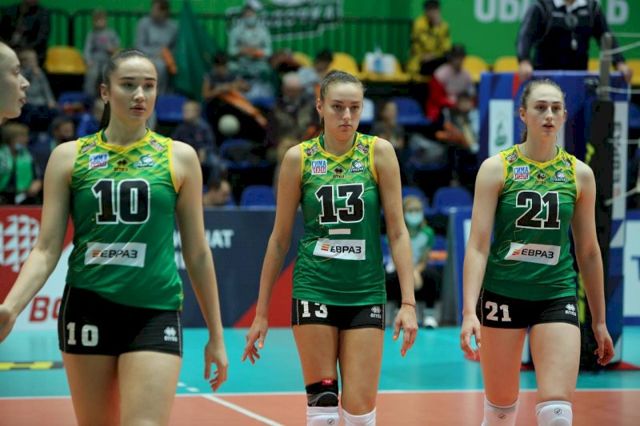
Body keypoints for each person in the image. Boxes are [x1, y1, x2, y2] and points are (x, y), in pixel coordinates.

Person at [0, 49, 228, 425]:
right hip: (88, 307)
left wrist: (216, 336)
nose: (140, 94)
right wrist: (11, 307)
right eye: (128, 85)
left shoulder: (180, 157)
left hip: (154, 309)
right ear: (105, 92)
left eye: (149, 86)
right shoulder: (68, 157)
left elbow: (198, 252)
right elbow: (46, 249)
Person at [242, 70, 418, 426]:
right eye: (338, 107)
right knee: (322, 409)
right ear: (320, 106)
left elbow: (398, 232)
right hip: (314, 289)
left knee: (360, 411)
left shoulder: (379, 153)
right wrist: (261, 313)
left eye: (355, 107)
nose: (347, 116)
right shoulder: (299, 158)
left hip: (365, 291)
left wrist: (408, 303)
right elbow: (279, 239)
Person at [460, 79, 614, 426]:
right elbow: (478, 246)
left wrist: (600, 320)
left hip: (555, 294)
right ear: (523, 114)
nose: (549, 115)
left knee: (558, 414)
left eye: (556, 108)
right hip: (502, 295)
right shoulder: (496, 168)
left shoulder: (579, 174)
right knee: (500, 411)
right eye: (540, 107)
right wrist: (469, 312)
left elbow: (589, 251)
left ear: (564, 116)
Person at [517, 0, 632, 83]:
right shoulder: (541, 6)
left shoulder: (591, 7)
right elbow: (525, 36)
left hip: (579, 78)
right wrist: (524, 61)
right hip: (544, 77)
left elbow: (606, 36)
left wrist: (619, 63)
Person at [385, 195, 440, 328]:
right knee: (397, 278)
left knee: (432, 275)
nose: (414, 213)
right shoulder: (395, 231)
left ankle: (429, 315)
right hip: (399, 268)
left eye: (417, 210)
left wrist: (415, 272)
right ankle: (399, 312)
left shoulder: (428, 233)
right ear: (404, 213)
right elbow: (395, 258)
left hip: (417, 268)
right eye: (411, 210)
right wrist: (409, 273)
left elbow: (424, 259)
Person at [135, 0, 178, 94]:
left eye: (156, 10)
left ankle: (165, 95)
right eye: (152, 9)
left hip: (166, 58)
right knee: (159, 66)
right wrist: (156, 53)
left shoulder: (173, 27)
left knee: (167, 65)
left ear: (164, 11)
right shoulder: (143, 23)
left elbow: (175, 47)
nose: (152, 12)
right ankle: (153, 94)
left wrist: (168, 55)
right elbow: (139, 46)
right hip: (146, 56)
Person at [406, 0, 451, 78]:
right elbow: (427, 46)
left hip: (436, 59)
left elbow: (446, 48)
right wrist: (436, 29)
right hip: (420, 63)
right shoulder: (419, 24)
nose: (432, 13)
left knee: (450, 60)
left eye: (435, 10)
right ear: (425, 11)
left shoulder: (444, 26)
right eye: (429, 10)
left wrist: (435, 55)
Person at [0, 121, 41, 205]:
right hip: (3, 196)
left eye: (26, 136)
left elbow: (37, 177)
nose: (26, 140)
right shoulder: (1, 154)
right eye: (22, 137)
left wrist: (36, 185)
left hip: (25, 196)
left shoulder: (29, 155)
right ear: (10, 138)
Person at [83, 9, 120, 98]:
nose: (100, 22)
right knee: (92, 74)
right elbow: (87, 49)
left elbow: (117, 45)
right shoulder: (92, 34)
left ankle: (109, 96)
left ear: (106, 20)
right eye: (97, 20)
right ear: (93, 21)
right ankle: (89, 96)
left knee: (107, 74)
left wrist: (113, 49)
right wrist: (88, 60)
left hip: (107, 60)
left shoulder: (111, 33)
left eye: (102, 20)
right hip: (95, 60)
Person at [0, 0, 50, 66]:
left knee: (30, 56)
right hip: (9, 48)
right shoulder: (11, 11)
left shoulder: (43, 13)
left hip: (30, 50)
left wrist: (22, 48)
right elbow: (2, 34)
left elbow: (41, 38)